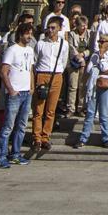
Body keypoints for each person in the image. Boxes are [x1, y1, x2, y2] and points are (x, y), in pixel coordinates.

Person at [0, 23, 35, 168]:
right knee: (8, 126)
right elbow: (3, 71)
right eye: (26, 33)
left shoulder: (30, 50)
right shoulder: (12, 50)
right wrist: (10, 89)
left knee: (22, 125)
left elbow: (30, 69)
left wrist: (31, 86)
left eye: (30, 33)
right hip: (15, 92)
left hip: (26, 92)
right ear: (20, 34)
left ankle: (16, 154)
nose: (29, 36)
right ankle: (1, 156)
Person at [76, 35, 108, 149]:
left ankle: (106, 138)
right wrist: (98, 63)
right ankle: (83, 138)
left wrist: (101, 57)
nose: (100, 43)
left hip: (105, 85)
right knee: (90, 113)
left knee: (104, 112)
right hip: (93, 85)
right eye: (99, 41)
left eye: (102, 41)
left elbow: (106, 68)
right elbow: (89, 69)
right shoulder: (95, 54)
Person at [31, 19, 68, 150]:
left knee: (50, 110)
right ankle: (36, 137)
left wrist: (57, 74)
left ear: (59, 29)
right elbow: (35, 61)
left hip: (56, 75)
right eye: (49, 28)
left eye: (53, 28)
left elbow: (64, 62)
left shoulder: (64, 44)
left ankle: (46, 136)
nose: (50, 30)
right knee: (38, 109)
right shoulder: (41, 43)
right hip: (42, 74)